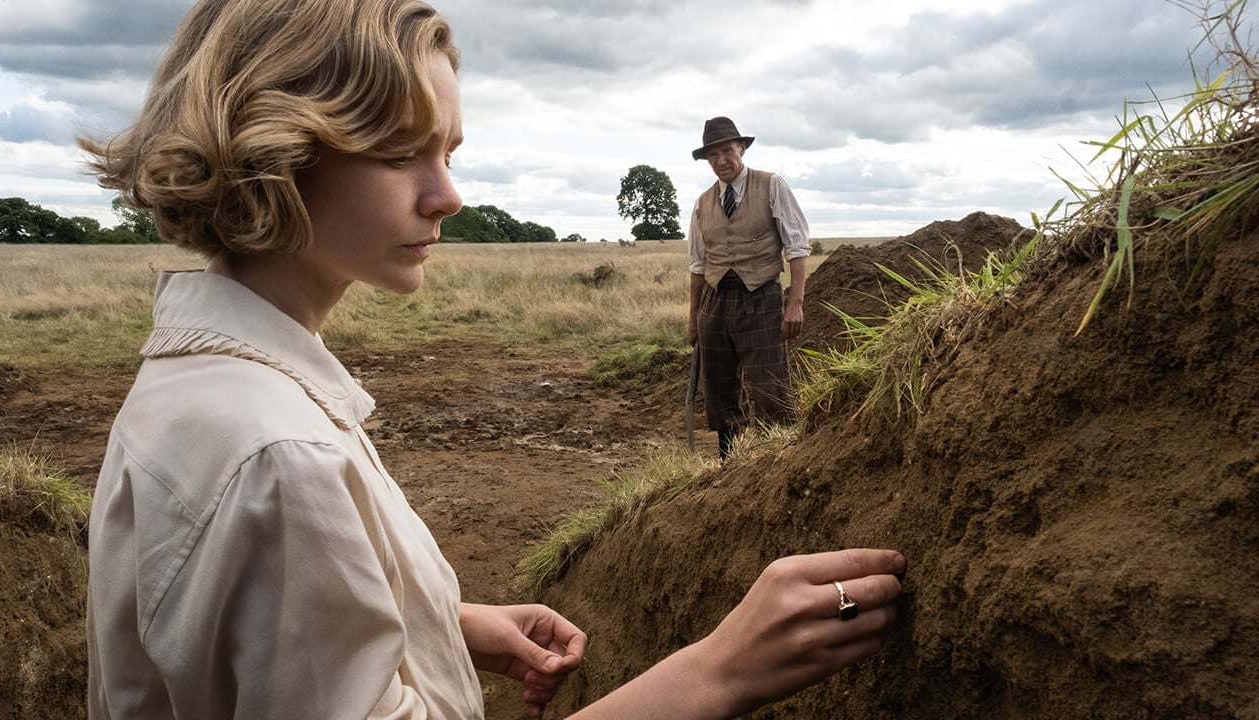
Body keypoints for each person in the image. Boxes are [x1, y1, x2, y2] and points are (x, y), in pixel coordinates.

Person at [81, 1, 906, 718]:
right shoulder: (277, 458)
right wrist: (717, 674)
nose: (448, 195)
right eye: (401, 150)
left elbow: (236, 637)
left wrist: (439, 619)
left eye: (450, 153)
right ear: (276, 147)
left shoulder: (196, 383)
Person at [687, 116, 811, 459]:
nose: (721, 161)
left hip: (761, 298)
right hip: (714, 303)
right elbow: (698, 265)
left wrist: (795, 303)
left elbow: (797, 247)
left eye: (727, 151)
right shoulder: (702, 202)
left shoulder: (771, 186)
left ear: (741, 148)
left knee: (770, 386)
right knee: (720, 390)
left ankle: (779, 461)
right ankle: (731, 464)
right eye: (712, 156)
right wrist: (694, 318)